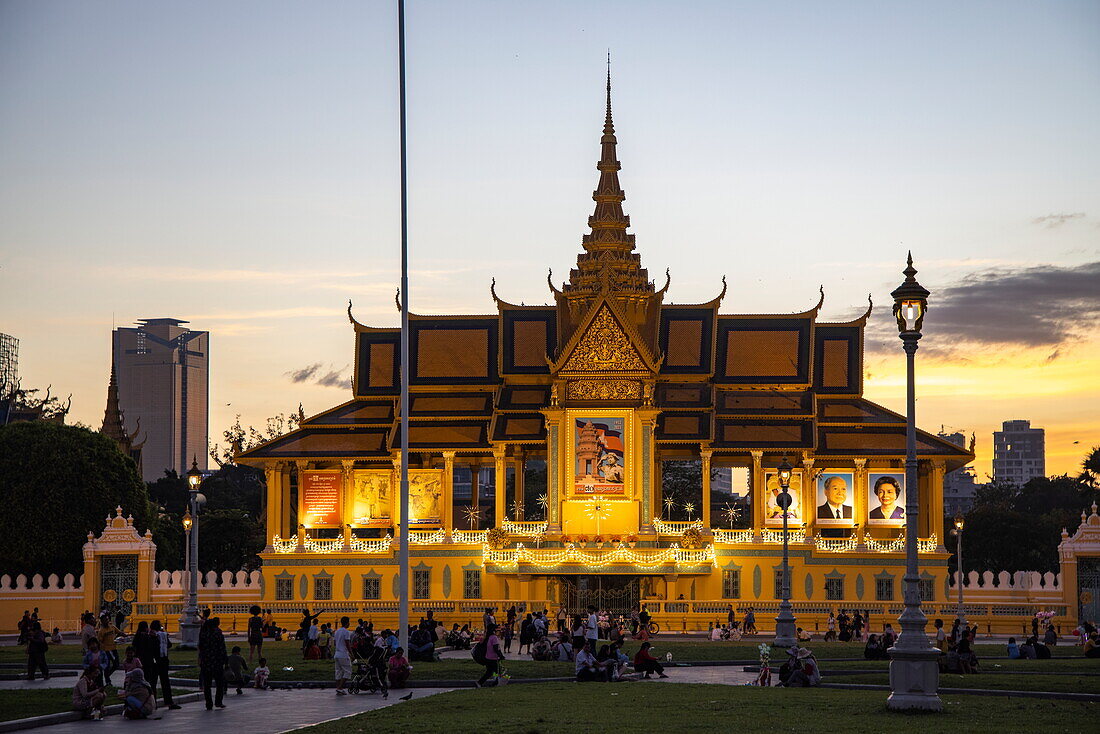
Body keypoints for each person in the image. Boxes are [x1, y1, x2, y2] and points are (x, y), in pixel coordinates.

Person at [198, 616, 228, 710]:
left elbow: (200, 648)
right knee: (219, 683)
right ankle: (218, 702)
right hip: (217, 661)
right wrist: (225, 660)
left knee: (207, 685)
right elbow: (222, 648)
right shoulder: (218, 633)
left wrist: (200, 659)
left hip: (206, 662)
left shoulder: (203, 634)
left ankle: (209, 703)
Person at [149, 619, 180, 709]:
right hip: (162, 660)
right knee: (164, 682)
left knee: (153, 683)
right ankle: (168, 702)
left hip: (155, 661)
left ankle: (153, 703)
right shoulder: (162, 635)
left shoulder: (152, 636)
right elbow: (169, 645)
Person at [475, 622, 504, 688]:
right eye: (496, 629)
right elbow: (496, 648)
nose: (497, 630)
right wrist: (500, 655)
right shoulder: (494, 637)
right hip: (493, 658)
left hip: (488, 657)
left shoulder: (488, 637)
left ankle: (489, 682)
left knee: (490, 672)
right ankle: (493, 682)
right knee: (495, 671)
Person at [96, 616, 121, 685]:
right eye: (105, 620)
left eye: (107, 619)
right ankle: (108, 681)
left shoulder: (112, 627)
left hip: (113, 649)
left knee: (116, 664)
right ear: (102, 622)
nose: (107, 621)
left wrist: (122, 637)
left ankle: (107, 676)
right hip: (106, 650)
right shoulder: (101, 631)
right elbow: (99, 641)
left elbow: (119, 632)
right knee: (107, 666)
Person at [333, 616, 353, 695]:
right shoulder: (346, 632)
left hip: (337, 654)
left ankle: (338, 687)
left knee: (338, 672)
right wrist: (351, 654)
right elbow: (347, 644)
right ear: (347, 623)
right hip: (343, 655)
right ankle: (340, 687)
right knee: (348, 671)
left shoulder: (337, 631)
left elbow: (335, 643)